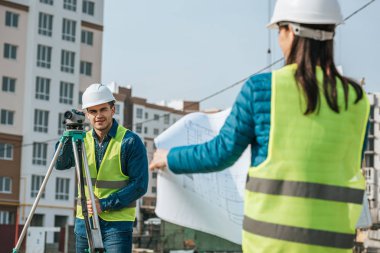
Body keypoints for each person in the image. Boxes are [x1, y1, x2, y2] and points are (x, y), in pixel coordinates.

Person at [149, 0, 370, 252]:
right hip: (332, 245)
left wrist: (170, 157)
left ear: (291, 32)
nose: (278, 40)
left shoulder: (263, 89)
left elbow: (220, 153)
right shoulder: (357, 100)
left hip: (270, 244)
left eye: (279, 30)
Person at [56, 83, 148, 253]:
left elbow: (140, 185)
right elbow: (60, 164)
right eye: (93, 111)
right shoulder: (80, 140)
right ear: (87, 115)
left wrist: (104, 204)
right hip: (85, 222)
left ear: (113, 110)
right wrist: (70, 132)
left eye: (103, 109)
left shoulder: (130, 142)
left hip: (117, 226)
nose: (98, 115)